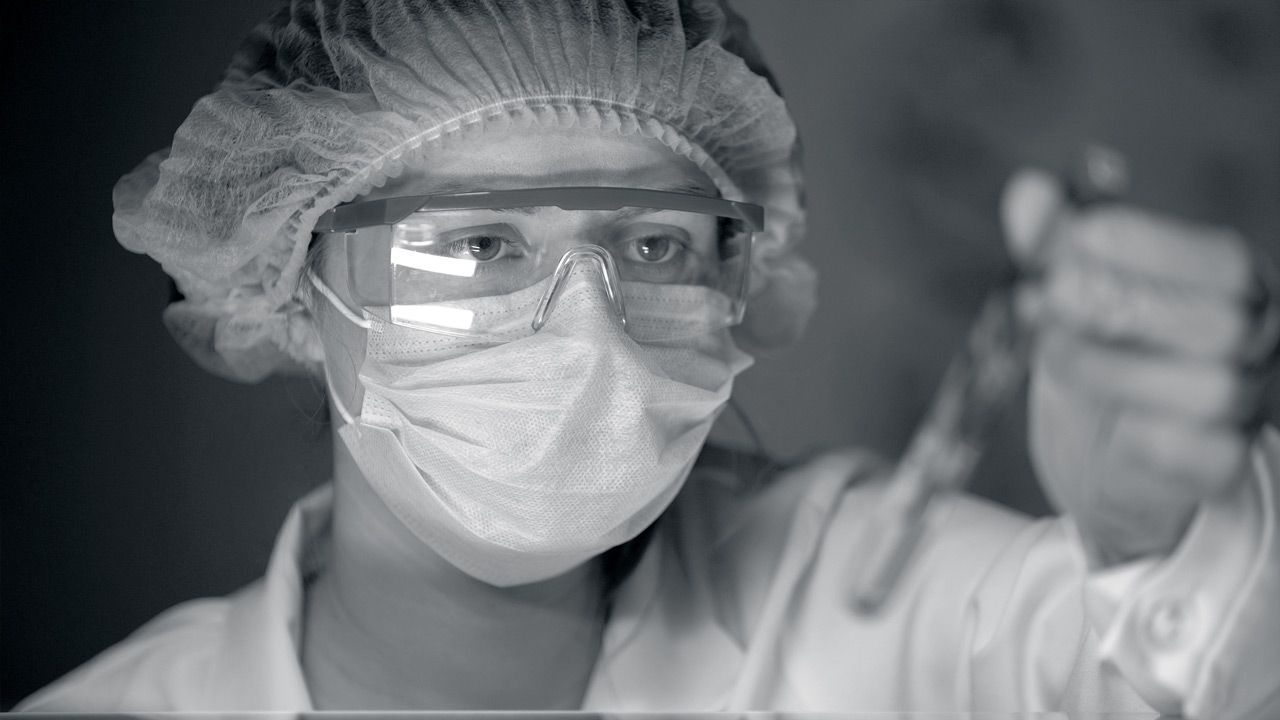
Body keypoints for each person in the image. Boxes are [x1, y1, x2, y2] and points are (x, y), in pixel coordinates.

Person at [17, 0, 1280, 715]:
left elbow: (1171, 667)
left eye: (661, 247)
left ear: (745, 271)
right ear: (294, 297)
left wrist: (1160, 538)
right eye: (473, 246)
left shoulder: (863, 601)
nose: (586, 328)